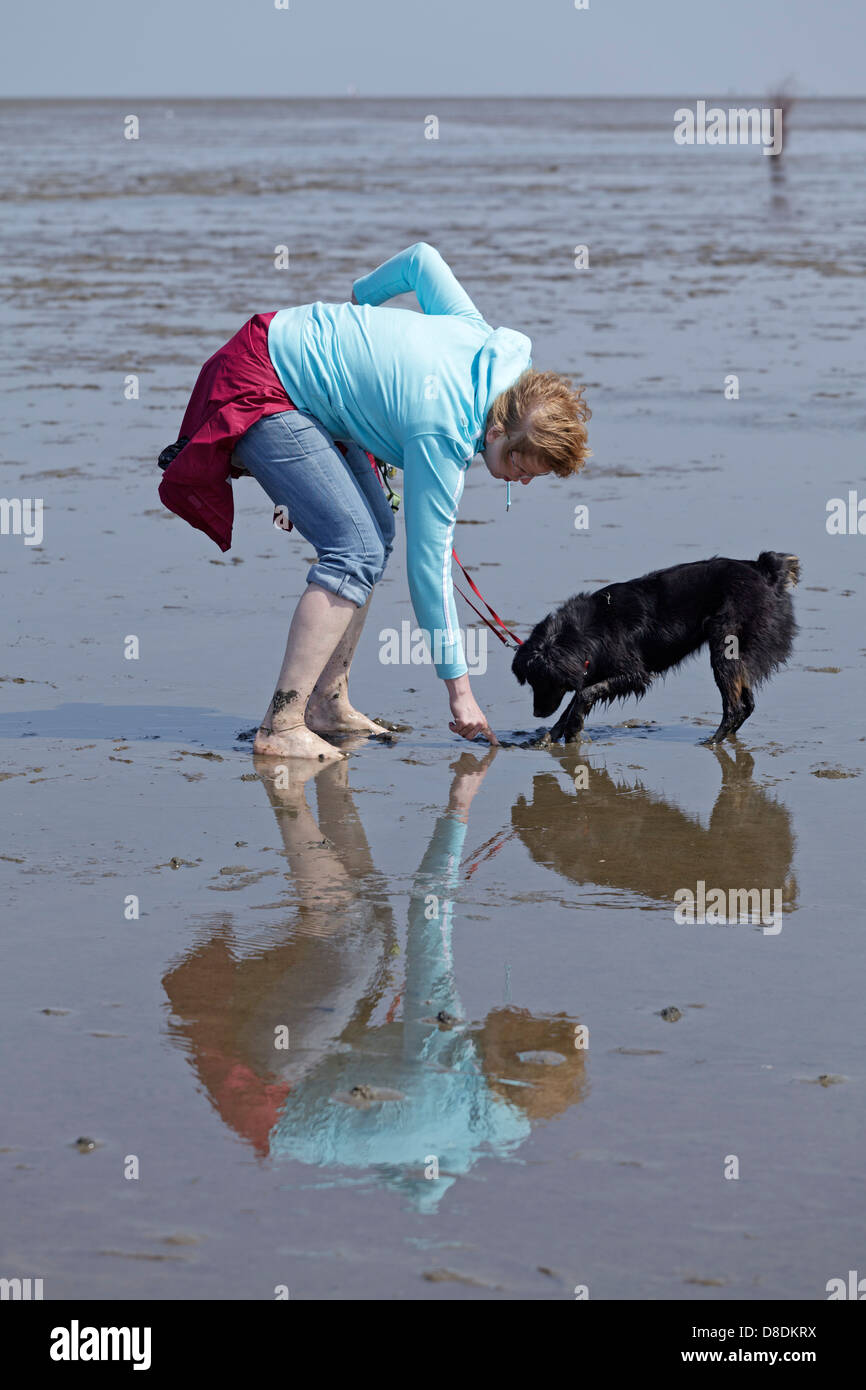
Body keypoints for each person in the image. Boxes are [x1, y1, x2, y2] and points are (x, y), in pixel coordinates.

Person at [158, 243, 591, 759]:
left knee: (376, 534)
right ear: (498, 430)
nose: (520, 482)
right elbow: (428, 570)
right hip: (263, 380)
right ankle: (281, 724)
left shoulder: (481, 340)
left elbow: (422, 262)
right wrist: (460, 693)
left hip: (299, 374)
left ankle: (327, 703)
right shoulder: (445, 433)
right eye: (520, 468)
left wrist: (362, 305)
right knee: (354, 550)